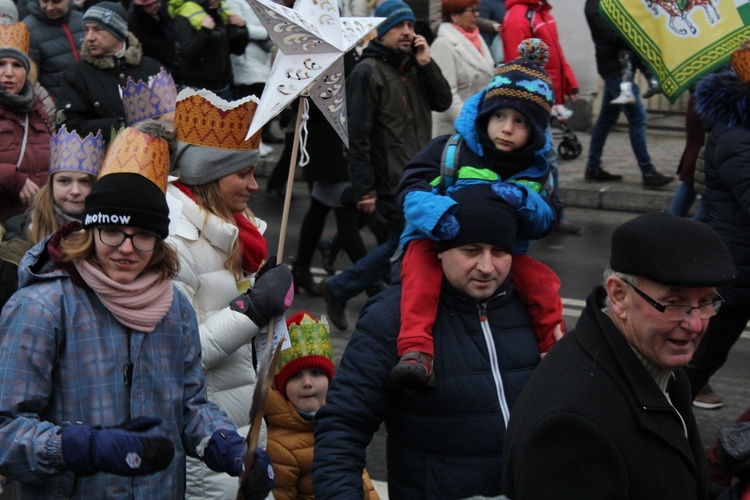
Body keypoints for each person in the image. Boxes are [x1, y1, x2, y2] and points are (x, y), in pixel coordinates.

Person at [0, 122, 274, 499]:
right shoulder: (43, 307)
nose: (127, 248)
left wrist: (223, 443)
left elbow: (191, 405)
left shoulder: (172, 305)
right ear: (90, 232)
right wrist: (82, 447)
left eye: (143, 235)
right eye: (113, 232)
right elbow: (6, 431)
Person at [313, 184, 541, 497]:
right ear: (441, 249)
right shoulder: (391, 318)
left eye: (499, 252)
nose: (487, 267)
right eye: (471, 250)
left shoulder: (535, 311)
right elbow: (342, 428)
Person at [503, 211, 736, 498]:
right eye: (673, 303)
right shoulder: (573, 427)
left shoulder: (655, 365)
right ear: (618, 296)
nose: (695, 323)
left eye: (706, 302)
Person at [392, 42, 564, 388]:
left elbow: (550, 218)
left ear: (536, 131)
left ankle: (555, 352)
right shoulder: (451, 150)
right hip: (438, 243)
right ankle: (416, 350)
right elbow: (411, 190)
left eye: (519, 122)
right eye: (499, 116)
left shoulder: (537, 170)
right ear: (486, 114)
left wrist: (524, 201)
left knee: (544, 285)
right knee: (421, 283)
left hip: (504, 252)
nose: (506, 128)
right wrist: (440, 217)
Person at [165, 88, 292, 499]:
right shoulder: (175, 243)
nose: (255, 185)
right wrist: (252, 310)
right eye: (244, 173)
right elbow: (179, 356)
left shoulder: (234, 232)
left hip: (238, 419)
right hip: (205, 443)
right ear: (208, 174)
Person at [318, 0, 452, 331]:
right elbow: (357, 136)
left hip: (421, 176)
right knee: (405, 247)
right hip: (392, 182)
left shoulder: (414, 67)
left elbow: (443, 102)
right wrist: (364, 189)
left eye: (410, 26)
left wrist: (427, 63)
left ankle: (343, 290)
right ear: (381, 31)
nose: (408, 32)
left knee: (403, 246)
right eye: (399, 26)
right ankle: (387, 314)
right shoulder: (367, 72)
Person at [685, 42, 750, 411]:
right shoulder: (735, 138)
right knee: (700, 362)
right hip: (738, 270)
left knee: (703, 359)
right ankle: (657, 428)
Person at [266, 311, 380, 499]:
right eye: (296, 375)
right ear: (281, 386)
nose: (307, 383)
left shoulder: (342, 424)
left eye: (317, 372)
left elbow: (364, 485)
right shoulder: (279, 448)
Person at [0, 126, 102, 310]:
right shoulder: (21, 237)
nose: (75, 191)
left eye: (85, 181)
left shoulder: (106, 234)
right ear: (51, 185)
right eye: (64, 181)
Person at [502, 1, 581, 234]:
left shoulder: (542, 13)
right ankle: (548, 214)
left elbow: (555, 52)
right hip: (532, 98)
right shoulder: (520, 15)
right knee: (546, 156)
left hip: (546, 95)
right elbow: (516, 61)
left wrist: (569, 83)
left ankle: (547, 213)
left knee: (546, 157)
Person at [583, 0, 675, 189]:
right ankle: (648, 172)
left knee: (605, 120)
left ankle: (593, 168)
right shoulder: (594, 5)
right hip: (614, 70)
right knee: (638, 117)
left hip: (620, 68)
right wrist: (637, 31)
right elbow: (611, 34)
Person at [56, 2, 163, 142]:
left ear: (117, 31)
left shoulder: (151, 68)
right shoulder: (76, 75)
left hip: (154, 155)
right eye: (87, 30)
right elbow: (68, 126)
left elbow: (170, 115)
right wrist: (121, 126)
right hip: (103, 158)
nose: (89, 37)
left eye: (97, 29)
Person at [0, 22, 52, 223]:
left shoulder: (38, 109)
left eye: (17, 65)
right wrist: (12, 178)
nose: (9, 73)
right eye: (1, 64)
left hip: (40, 222)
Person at [429, 0, 494, 137]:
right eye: (472, 11)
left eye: (477, 10)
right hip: (454, 131)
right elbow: (447, 93)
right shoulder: (443, 45)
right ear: (454, 16)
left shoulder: (477, 40)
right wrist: (469, 124)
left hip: (478, 125)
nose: (477, 15)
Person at [169, 0, 249, 100]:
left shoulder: (221, 11)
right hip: (197, 90)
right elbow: (188, 54)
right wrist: (204, 31)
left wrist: (242, 28)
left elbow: (238, 50)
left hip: (224, 89)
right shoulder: (185, 14)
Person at [21, 0, 84, 103]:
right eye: (45, 1)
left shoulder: (82, 21)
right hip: (55, 108)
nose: (50, 7)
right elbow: (28, 81)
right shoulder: (27, 30)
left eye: (56, 1)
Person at [126, 0, 178, 75]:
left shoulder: (159, 15)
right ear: (145, 4)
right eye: (155, 3)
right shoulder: (133, 24)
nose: (159, 5)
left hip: (168, 68)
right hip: (152, 73)